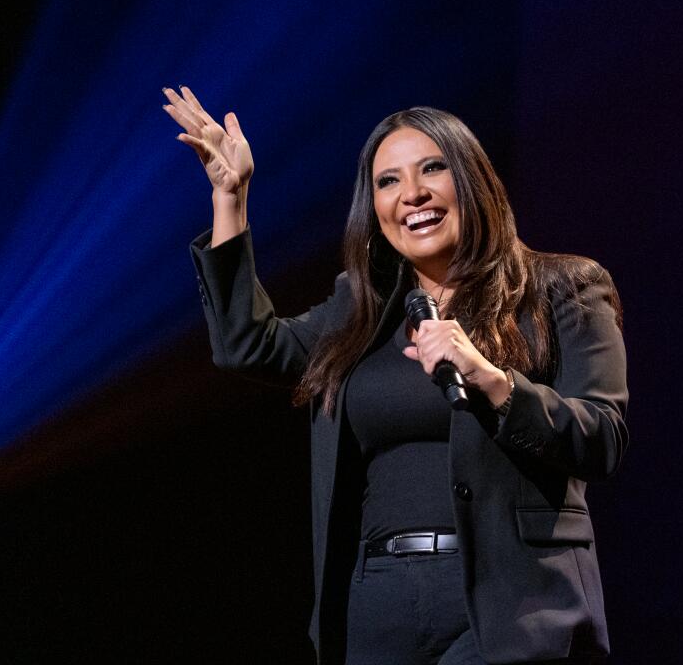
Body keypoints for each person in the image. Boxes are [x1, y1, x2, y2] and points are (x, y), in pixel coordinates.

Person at [163, 86, 629, 664]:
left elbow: (601, 437)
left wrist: (492, 380)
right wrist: (229, 199)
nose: (413, 194)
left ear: (473, 180)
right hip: (375, 604)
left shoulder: (563, 289)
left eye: (433, 169)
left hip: (511, 603)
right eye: (388, 181)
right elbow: (247, 345)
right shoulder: (359, 310)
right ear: (373, 207)